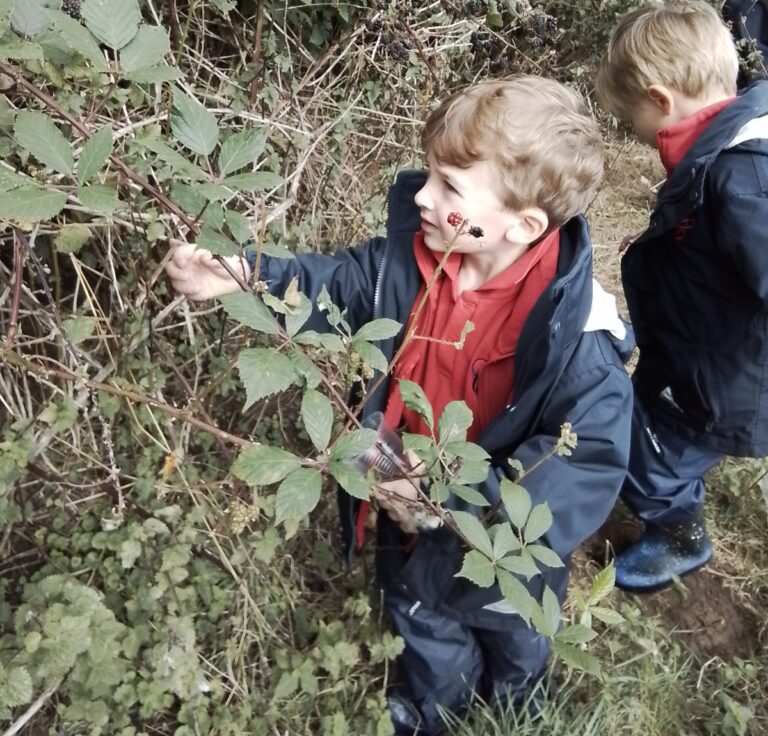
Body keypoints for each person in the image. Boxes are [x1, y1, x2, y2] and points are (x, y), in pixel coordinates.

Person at [165, 76, 633, 735]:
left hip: (493, 533)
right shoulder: (408, 260)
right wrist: (246, 274)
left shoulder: (578, 338)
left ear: (524, 225)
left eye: (448, 187)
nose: (421, 194)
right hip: (398, 495)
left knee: (515, 633)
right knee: (417, 614)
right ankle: (435, 710)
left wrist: (455, 505)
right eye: (430, 175)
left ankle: (521, 710)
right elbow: (335, 284)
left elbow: (583, 459)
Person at [596, 0, 768, 593]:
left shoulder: (741, 174)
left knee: (641, 454)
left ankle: (680, 537)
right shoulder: (726, 138)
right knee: (657, 426)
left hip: (718, 379)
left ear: (661, 100)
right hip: (701, 352)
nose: (634, 134)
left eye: (631, 118)